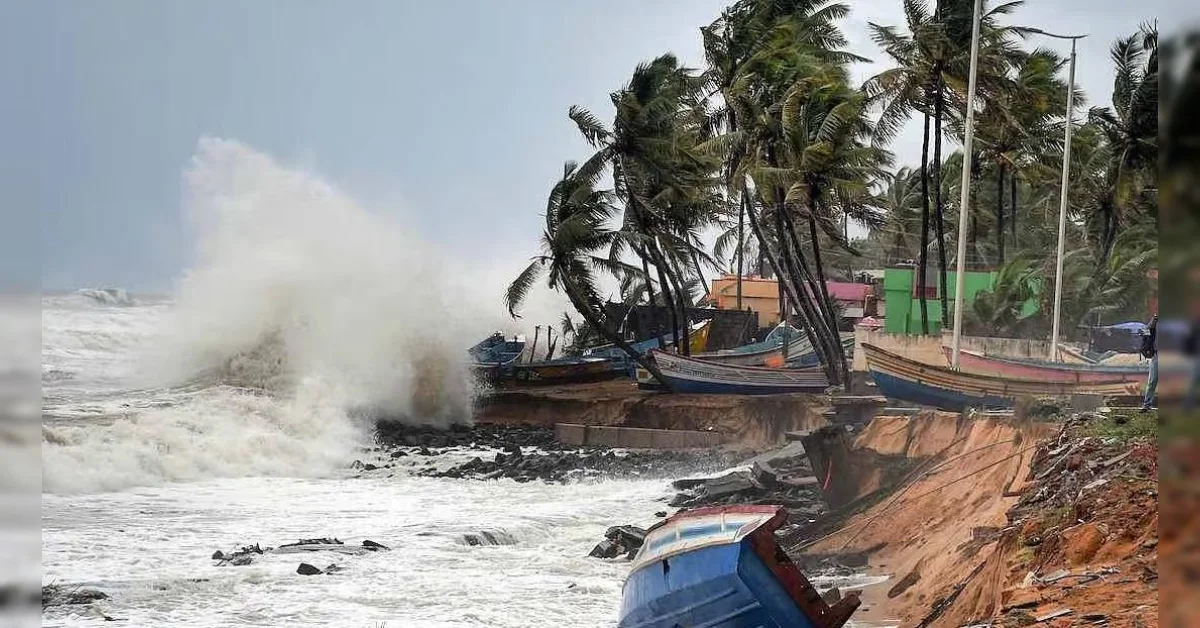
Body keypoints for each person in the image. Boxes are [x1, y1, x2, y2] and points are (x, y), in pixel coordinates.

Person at [1140, 314, 1158, 411]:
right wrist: (1153, 322)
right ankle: (1147, 405)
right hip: (1157, 355)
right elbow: (1143, 333)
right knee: (1152, 381)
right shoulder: (1154, 323)